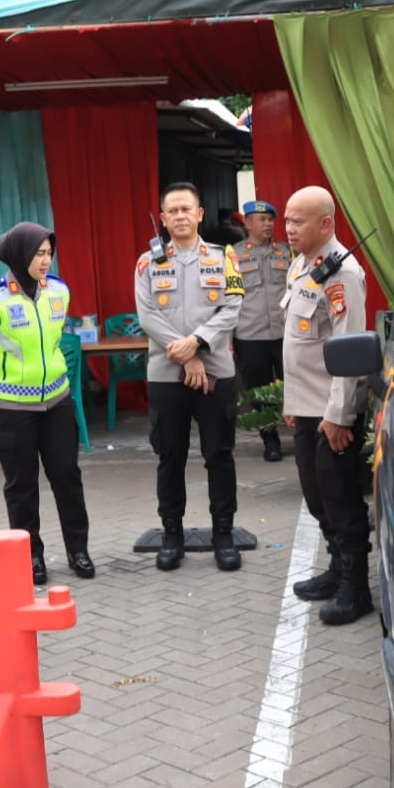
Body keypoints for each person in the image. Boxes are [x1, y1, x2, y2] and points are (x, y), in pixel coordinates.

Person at [0, 222, 92, 584]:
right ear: (20, 255)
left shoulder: (59, 291)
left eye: (49, 253)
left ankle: (78, 550)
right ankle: (31, 556)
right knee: (21, 485)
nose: (45, 260)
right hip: (9, 409)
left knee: (67, 476)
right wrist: (7, 375)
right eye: (38, 253)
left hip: (56, 401)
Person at [134, 181, 245, 572]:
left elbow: (232, 308)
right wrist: (187, 358)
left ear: (199, 214)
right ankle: (171, 535)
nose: (180, 216)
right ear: (163, 219)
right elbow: (148, 316)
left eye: (187, 209)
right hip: (167, 373)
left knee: (219, 454)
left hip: (216, 369)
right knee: (170, 456)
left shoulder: (224, 257)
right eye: (172, 211)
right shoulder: (147, 263)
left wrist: (197, 344)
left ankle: (224, 534)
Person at [281, 186, 374, 626]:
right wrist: (292, 401)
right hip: (307, 406)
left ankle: (355, 589)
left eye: (298, 221)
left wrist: (339, 416)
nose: (289, 228)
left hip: (331, 413)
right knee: (318, 497)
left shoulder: (343, 275)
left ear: (326, 224)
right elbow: (300, 341)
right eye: (287, 220)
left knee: (340, 499)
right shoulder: (304, 266)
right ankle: (337, 570)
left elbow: (349, 350)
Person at [231, 199, 291, 462]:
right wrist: (228, 338)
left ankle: (301, 437)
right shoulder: (232, 255)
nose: (268, 224)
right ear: (247, 223)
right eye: (261, 219)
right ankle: (271, 441)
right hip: (250, 335)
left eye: (270, 219)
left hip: (285, 333)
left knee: (295, 387)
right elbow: (228, 298)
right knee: (259, 392)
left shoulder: (286, 252)